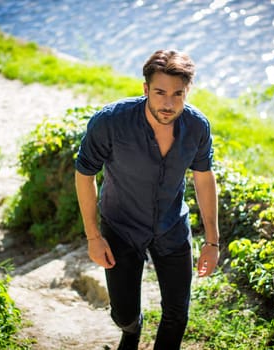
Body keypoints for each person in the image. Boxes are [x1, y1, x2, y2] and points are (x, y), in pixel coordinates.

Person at [75, 49, 220, 350]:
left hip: (172, 225)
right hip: (121, 227)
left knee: (177, 315)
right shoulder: (110, 122)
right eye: (160, 93)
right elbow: (84, 174)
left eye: (177, 94)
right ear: (145, 89)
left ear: (187, 92)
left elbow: (204, 178)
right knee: (124, 314)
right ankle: (132, 331)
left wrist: (212, 241)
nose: (168, 104)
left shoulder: (197, 127)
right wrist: (93, 236)